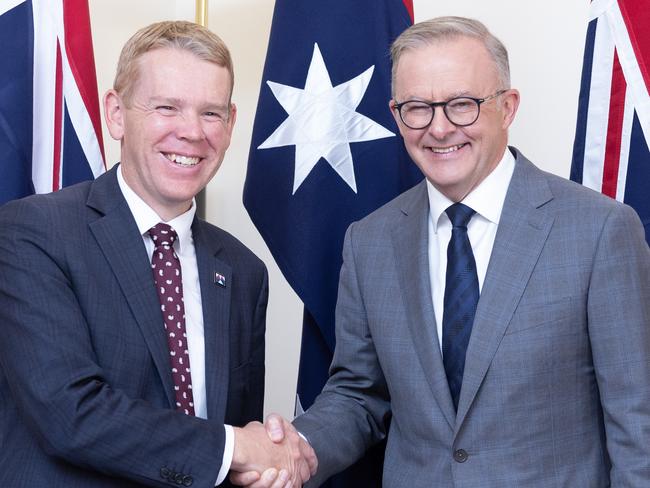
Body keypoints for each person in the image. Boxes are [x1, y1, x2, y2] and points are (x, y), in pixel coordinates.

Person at [232, 16, 650, 488]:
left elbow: (638, 423)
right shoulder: (369, 242)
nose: (440, 128)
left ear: (507, 107)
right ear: (395, 114)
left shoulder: (599, 231)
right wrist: (297, 448)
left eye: (462, 104)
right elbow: (359, 395)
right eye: (418, 108)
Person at [0, 21, 314, 487]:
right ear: (116, 113)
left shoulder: (244, 271)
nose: (191, 132)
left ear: (230, 124)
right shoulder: (33, 232)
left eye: (211, 113)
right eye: (167, 107)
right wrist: (234, 447)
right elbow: (69, 414)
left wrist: (260, 464)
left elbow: (236, 454)